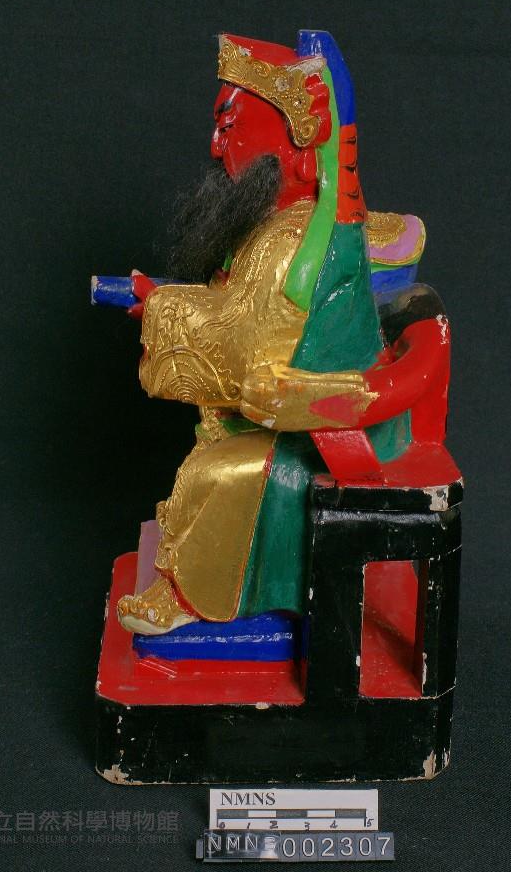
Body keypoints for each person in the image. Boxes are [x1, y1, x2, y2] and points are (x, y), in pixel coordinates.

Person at [117, 31, 436, 635]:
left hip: (325, 431)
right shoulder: (272, 227)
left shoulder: (298, 243)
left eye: (229, 126)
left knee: (225, 473)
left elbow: (247, 355)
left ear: (293, 140)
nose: (216, 146)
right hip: (287, 408)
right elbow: (238, 313)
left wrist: (163, 309)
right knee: (209, 451)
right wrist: (168, 302)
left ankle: (193, 597)